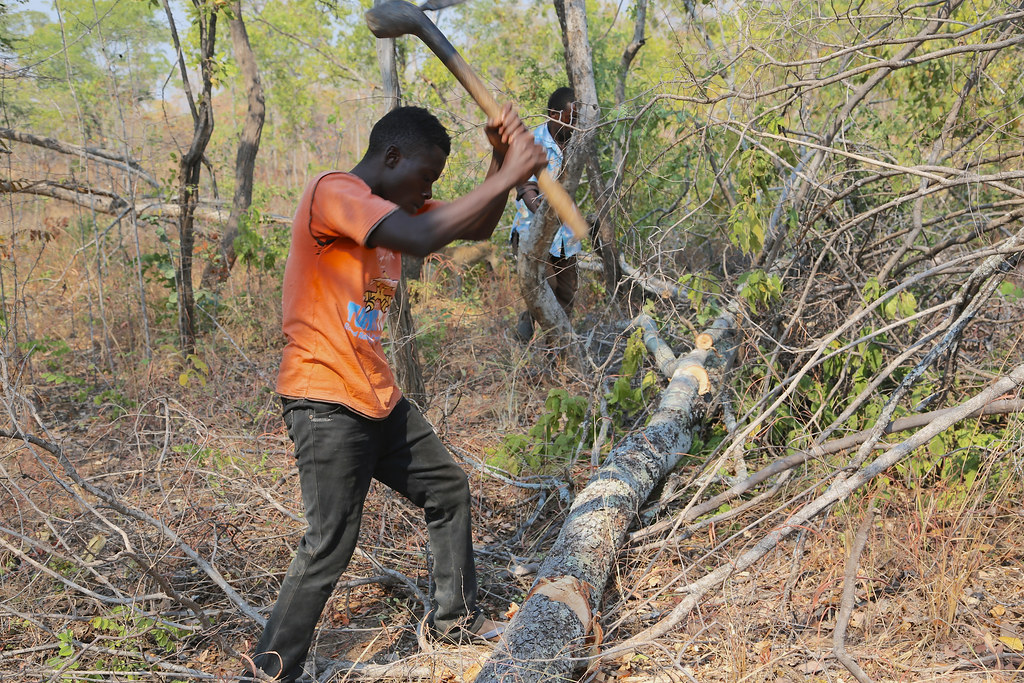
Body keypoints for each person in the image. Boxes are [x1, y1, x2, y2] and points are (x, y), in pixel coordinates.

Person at [246, 104, 547, 683]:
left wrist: (500, 160)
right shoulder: (335, 193)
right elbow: (423, 232)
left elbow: (474, 227)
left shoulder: (394, 209)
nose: (428, 191)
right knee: (330, 541)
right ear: (391, 157)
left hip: (377, 396)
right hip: (325, 396)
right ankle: (268, 670)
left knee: (446, 486)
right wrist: (514, 173)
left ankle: (454, 622)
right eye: (426, 178)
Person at [509, 86, 580, 343]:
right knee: (544, 290)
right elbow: (525, 188)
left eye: (578, 119)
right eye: (570, 118)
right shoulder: (532, 144)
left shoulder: (576, 143)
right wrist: (546, 215)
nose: (574, 124)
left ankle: (556, 356)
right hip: (534, 232)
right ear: (553, 114)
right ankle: (526, 325)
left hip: (567, 238)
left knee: (566, 295)